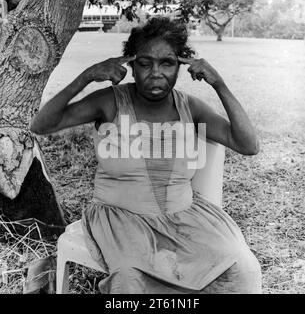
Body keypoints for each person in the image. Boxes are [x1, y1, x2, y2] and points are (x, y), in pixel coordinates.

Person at [30, 17, 262, 294]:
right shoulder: (111, 102)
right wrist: (87, 76)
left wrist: (219, 84)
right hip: (121, 218)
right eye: (144, 63)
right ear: (131, 65)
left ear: (181, 65)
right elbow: (41, 125)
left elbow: (249, 145)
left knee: (241, 269)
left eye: (167, 63)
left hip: (185, 217)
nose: (155, 72)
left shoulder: (191, 107)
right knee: (130, 278)